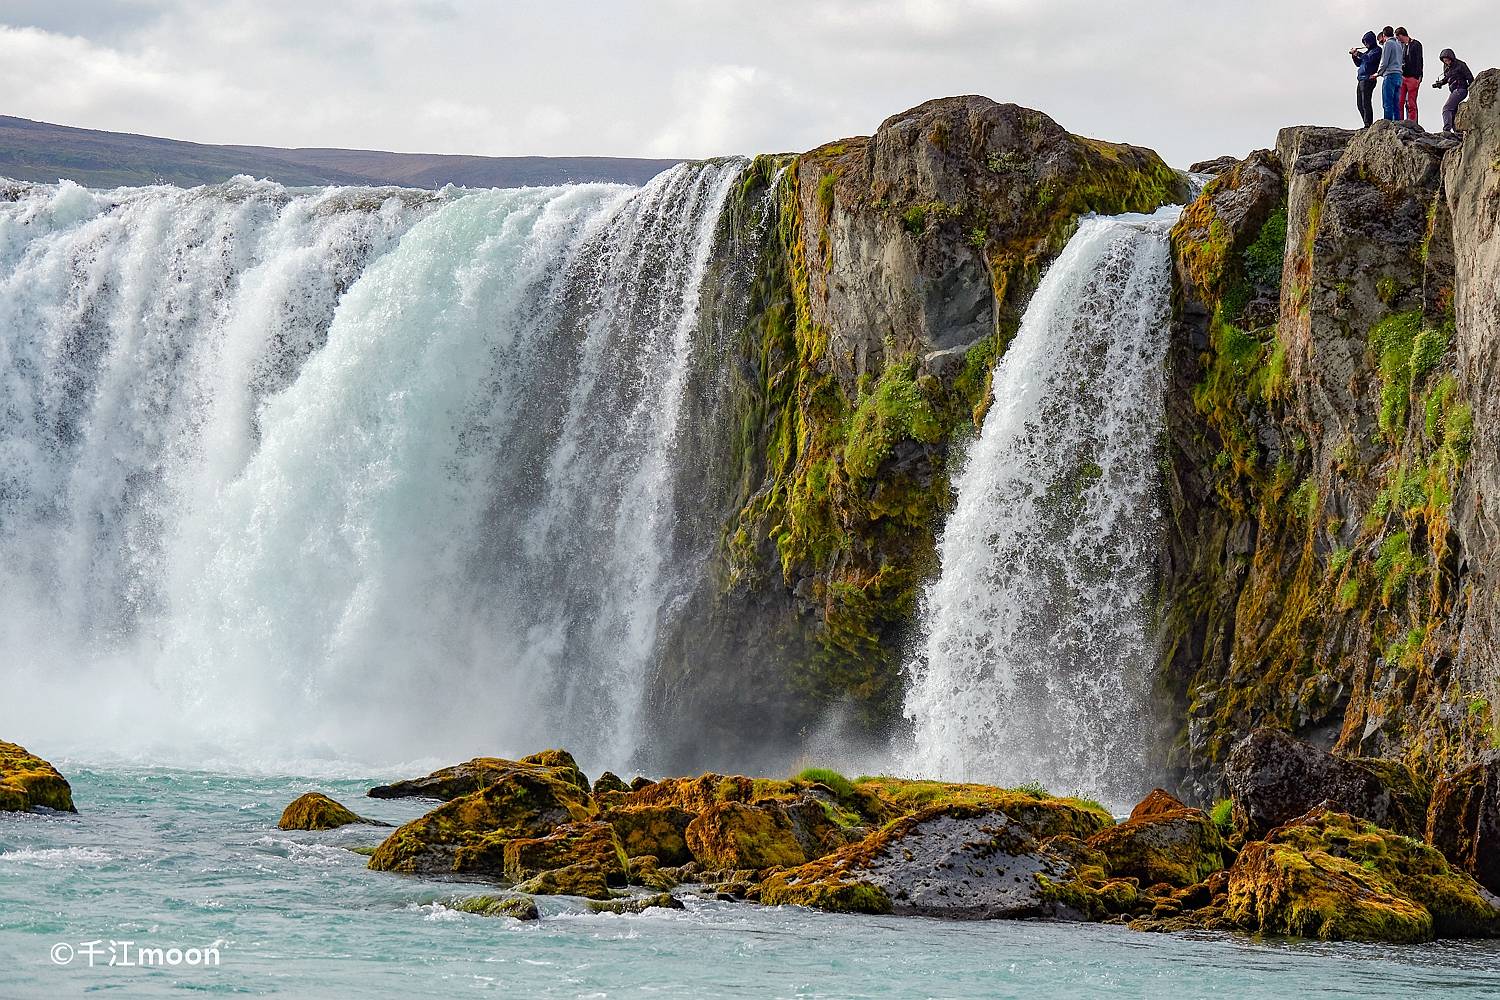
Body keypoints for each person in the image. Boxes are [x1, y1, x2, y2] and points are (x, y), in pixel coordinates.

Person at [1432, 48, 1475, 133]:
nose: (1446, 62)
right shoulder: (1446, 67)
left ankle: (1446, 130)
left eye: (1448, 60)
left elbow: (1470, 77)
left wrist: (1472, 90)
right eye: (1444, 61)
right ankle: (1457, 132)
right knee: (1453, 111)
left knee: (1446, 108)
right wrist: (1440, 83)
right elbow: (1446, 78)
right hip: (1454, 90)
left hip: (1461, 89)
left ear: (1451, 58)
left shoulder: (1460, 64)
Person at [1350, 31, 1381, 127]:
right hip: (1361, 79)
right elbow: (1358, 64)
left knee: (1365, 102)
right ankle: (1365, 122)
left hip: (1369, 79)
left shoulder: (1377, 50)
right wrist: (1354, 56)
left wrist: (1358, 53)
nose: (1365, 44)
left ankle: (1368, 124)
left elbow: (1368, 59)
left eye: (1366, 42)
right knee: (1359, 104)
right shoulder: (1367, 52)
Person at [1375, 26, 1405, 121]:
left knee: (1387, 102)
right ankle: (1397, 123)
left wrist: (1378, 73)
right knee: (1396, 102)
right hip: (1398, 75)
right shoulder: (1399, 44)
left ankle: (1388, 123)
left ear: (1384, 35)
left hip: (1390, 75)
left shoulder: (1388, 44)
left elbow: (1384, 61)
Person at [1396, 27, 1423, 123]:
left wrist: (1419, 76)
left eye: (1398, 37)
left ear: (1401, 35)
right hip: (1404, 76)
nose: (1398, 40)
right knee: (1400, 101)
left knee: (1411, 102)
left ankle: (1412, 122)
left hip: (1413, 77)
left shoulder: (1416, 44)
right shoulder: (1403, 46)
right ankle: (1400, 121)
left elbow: (1419, 60)